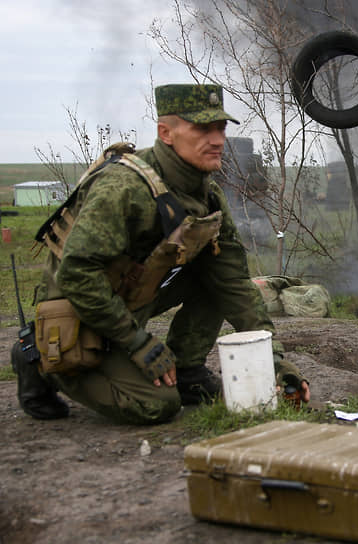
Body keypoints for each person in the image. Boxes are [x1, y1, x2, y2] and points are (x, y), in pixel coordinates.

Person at [11, 84, 310, 424]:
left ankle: (185, 370)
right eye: (202, 129)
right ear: (165, 133)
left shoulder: (207, 195)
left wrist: (274, 359)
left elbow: (234, 284)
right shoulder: (123, 188)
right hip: (78, 309)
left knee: (214, 276)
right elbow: (76, 276)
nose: (216, 140)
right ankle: (39, 360)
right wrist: (138, 343)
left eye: (220, 128)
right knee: (156, 405)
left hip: (129, 293)